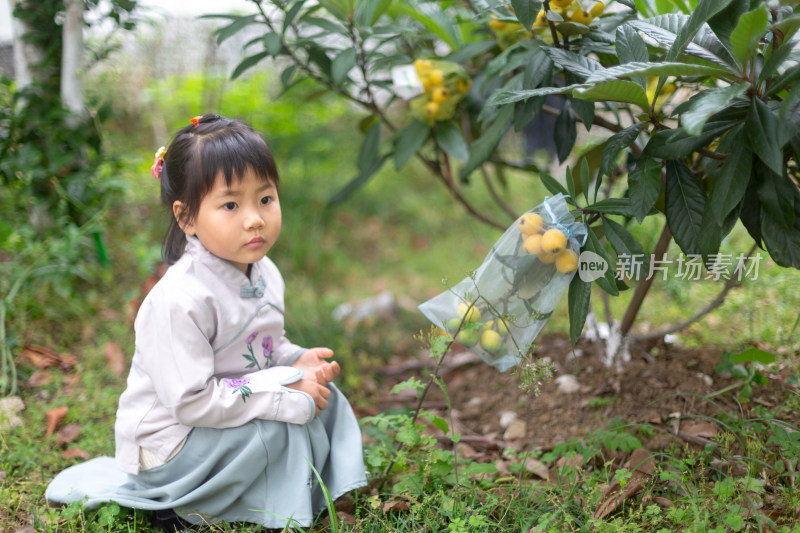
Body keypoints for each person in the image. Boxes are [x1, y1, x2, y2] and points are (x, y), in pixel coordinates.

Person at [45, 114, 367, 530]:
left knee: (321, 397)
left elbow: (262, 349)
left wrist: (300, 360)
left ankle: (321, 488)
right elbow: (192, 401)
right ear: (187, 218)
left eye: (265, 199)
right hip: (175, 443)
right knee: (277, 426)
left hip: (226, 409)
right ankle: (186, 506)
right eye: (231, 205)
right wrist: (281, 396)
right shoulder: (181, 300)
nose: (254, 219)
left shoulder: (266, 273)